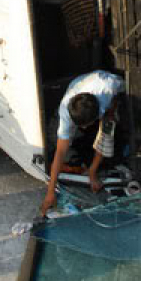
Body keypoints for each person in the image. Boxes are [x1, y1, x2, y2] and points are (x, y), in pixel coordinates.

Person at [40, 70, 124, 216]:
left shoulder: (109, 89)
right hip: (79, 86)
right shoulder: (66, 111)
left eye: (86, 125)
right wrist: (50, 192)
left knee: (109, 134)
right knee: (56, 143)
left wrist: (92, 172)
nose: (84, 128)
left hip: (110, 91)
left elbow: (105, 136)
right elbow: (60, 154)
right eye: (80, 126)